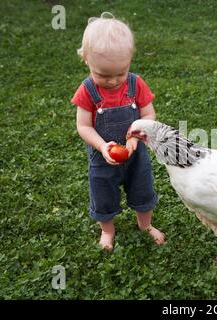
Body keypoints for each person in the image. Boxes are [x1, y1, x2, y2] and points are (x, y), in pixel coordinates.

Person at [71, 12, 165, 251]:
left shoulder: (136, 84)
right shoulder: (87, 90)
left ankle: (145, 225)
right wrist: (102, 146)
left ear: (129, 61)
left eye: (120, 73)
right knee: (103, 193)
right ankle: (107, 230)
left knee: (143, 190)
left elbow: (149, 115)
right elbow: (83, 126)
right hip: (102, 157)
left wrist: (134, 136)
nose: (113, 81)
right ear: (86, 61)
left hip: (136, 154)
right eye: (103, 74)